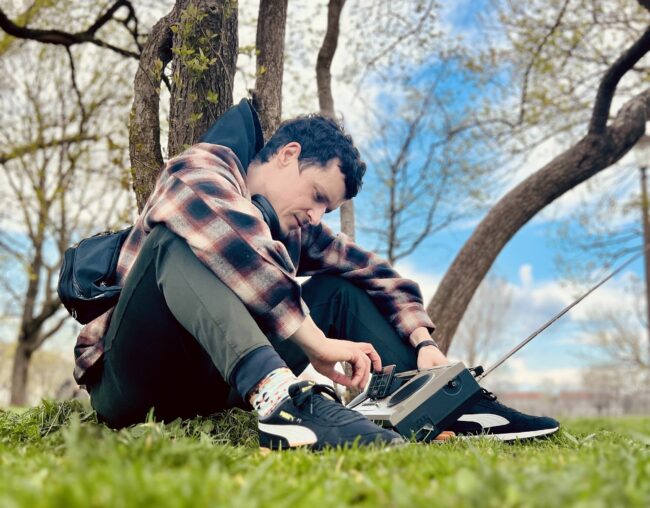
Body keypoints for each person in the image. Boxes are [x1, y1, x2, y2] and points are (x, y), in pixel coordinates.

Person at [74, 99, 559, 450]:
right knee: (177, 243)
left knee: (341, 288)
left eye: (329, 208)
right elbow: (231, 239)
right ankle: (283, 404)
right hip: (132, 381)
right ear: (287, 154)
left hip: (209, 382)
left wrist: (424, 343)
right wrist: (315, 343)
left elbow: (380, 275)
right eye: (318, 196)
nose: (317, 214)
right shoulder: (200, 168)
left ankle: (441, 405)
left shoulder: (295, 227)